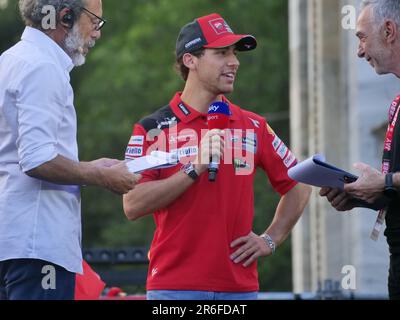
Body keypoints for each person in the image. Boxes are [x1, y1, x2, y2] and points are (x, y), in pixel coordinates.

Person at [123, 13, 311, 300]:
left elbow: (300, 184)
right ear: (190, 60)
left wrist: (270, 240)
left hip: (239, 290)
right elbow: (132, 204)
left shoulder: (254, 125)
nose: (234, 62)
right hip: (173, 289)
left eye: (234, 54)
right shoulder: (152, 128)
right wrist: (193, 169)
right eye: (221, 53)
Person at [0, 0, 141, 300]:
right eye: (94, 22)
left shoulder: (11, 60)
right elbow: (37, 159)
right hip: (37, 247)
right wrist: (101, 177)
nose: (97, 33)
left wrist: (92, 168)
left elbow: (18, 155)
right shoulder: (43, 66)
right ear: (65, 17)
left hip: (16, 242)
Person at [320, 0, 400, 300]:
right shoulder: (396, 103)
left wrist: (385, 182)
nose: (359, 51)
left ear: (389, 31)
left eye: (362, 37)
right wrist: (363, 196)